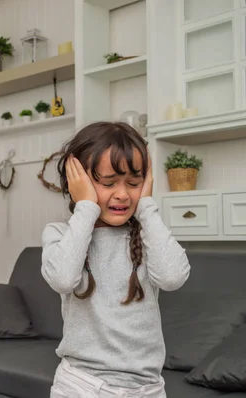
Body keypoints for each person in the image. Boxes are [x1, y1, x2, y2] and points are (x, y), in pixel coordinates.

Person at [41, 122, 191, 398]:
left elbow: (173, 277)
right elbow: (62, 278)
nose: (123, 194)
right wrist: (86, 206)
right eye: (109, 183)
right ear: (77, 184)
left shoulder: (147, 235)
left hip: (148, 389)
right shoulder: (61, 234)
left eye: (133, 183)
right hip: (81, 386)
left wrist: (145, 206)